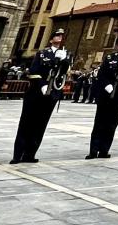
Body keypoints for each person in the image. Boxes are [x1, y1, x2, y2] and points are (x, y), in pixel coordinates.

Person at [10, 28, 70, 164]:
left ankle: (30, 154)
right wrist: (42, 84)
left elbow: (65, 73)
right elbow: (33, 71)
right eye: (57, 35)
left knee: (40, 124)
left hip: (52, 93)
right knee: (26, 123)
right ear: (51, 39)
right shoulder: (42, 53)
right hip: (36, 92)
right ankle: (18, 154)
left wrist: (64, 60)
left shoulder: (65, 54)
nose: (60, 37)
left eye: (62, 35)